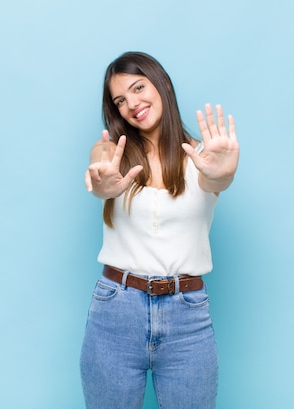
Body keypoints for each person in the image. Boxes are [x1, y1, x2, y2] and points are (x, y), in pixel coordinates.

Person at [80, 51, 239, 409]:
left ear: (163, 84)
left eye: (138, 88)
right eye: (120, 100)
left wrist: (223, 172)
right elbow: (100, 173)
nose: (131, 104)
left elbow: (218, 179)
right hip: (115, 310)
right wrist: (103, 181)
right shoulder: (111, 151)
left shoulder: (204, 157)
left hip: (187, 315)